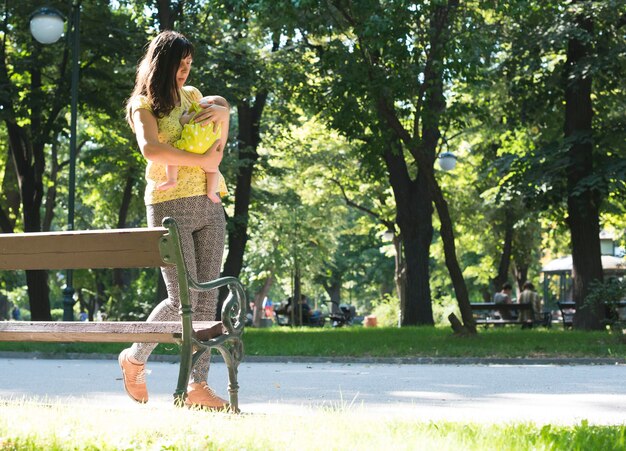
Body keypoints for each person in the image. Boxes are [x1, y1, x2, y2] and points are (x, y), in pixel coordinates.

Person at [119, 30, 230, 409]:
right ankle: (134, 358)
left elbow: (215, 135)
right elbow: (151, 149)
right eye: (179, 65)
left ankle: (198, 385)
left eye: (189, 65)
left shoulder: (194, 97)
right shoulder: (143, 105)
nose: (184, 72)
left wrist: (224, 110)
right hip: (170, 206)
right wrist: (202, 162)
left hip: (209, 205)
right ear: (162, 64)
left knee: (207, 296)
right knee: (181, 297)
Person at [157, 95, 229, 204]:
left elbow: (182, 121)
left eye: (202, 99)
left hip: (189, 145)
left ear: (209, 102)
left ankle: (171, 180)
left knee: (172, 158)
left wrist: (186, 114)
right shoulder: (220, 122)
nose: (199, 100)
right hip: (208, 151)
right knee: (212, 171)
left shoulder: (200, 110)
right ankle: (211, 192)